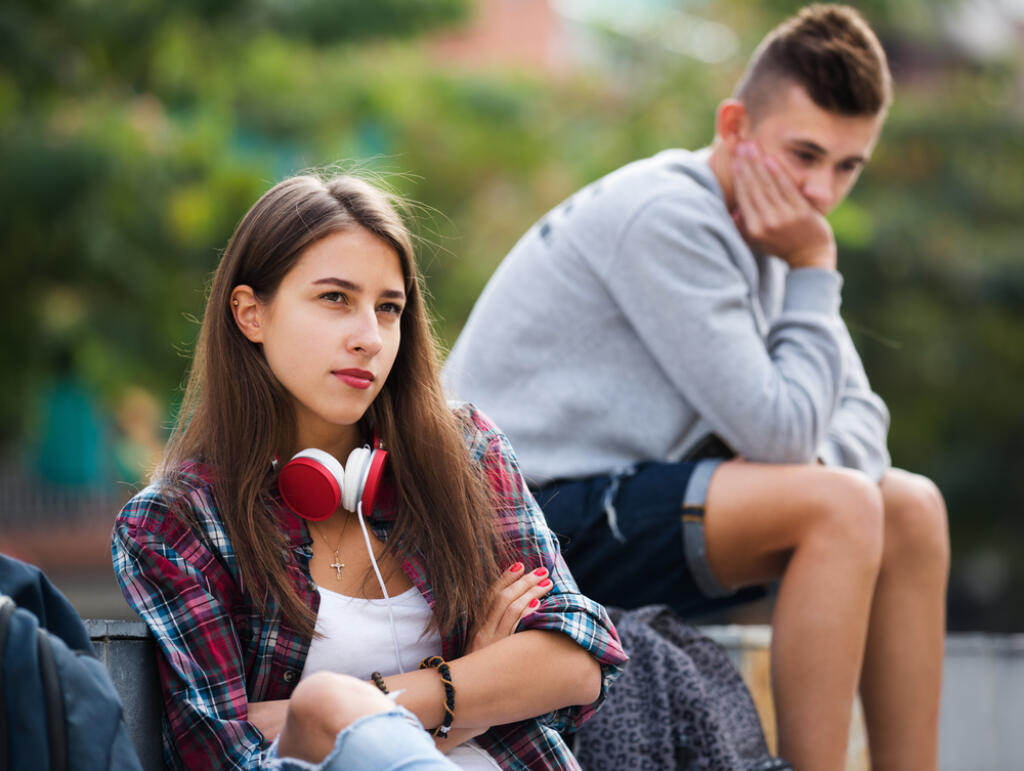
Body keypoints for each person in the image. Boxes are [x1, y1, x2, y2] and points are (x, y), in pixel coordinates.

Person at [443, 5, 949, 770]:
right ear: (736, 123)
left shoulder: (773, 234)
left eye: (847, 167)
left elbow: (858, 424)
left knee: (910, 508)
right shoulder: (671, 216)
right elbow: (785, 436)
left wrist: (808, 448)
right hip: (511, 527)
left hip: (608, 502)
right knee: (841, 504)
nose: (819, 190)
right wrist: (815, 268)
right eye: (804, 153)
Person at [111, 173, 626, 770]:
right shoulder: (176, 523)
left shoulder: (464, 453)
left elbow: (580, 657)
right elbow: (226, 759)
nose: (370, 339)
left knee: (329, 705)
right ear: (251, 314)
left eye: (389, 309)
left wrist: (371, 710)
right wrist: (477, 697)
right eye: (335, 299)